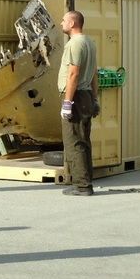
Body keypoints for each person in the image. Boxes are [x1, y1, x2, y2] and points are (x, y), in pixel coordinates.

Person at [58, 10, 99, 197]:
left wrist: (67, 102)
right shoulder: (89, 42)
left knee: (74, 141)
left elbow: (73, 74)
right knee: (84, 140)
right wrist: (95, 98)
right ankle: (86, 181)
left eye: (64, 20)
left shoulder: (75, 44)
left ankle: (82, 186)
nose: (61, 23)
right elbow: (94, 75)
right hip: (86, 95)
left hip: (76, 97)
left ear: (73, 23)